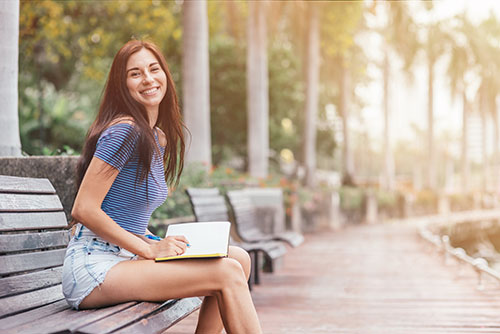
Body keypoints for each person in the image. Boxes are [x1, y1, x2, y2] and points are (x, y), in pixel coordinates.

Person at [62, 39, 262, 334]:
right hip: (95, 264)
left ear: (165, 75)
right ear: (122, 84)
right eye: (135, 73)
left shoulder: (156, 138)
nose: (148, 79)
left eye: (154, 69)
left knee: (239, 258)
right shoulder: (125, 131)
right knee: (228, 271)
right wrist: (150, 249)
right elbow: (84, 208)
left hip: (124, 257)